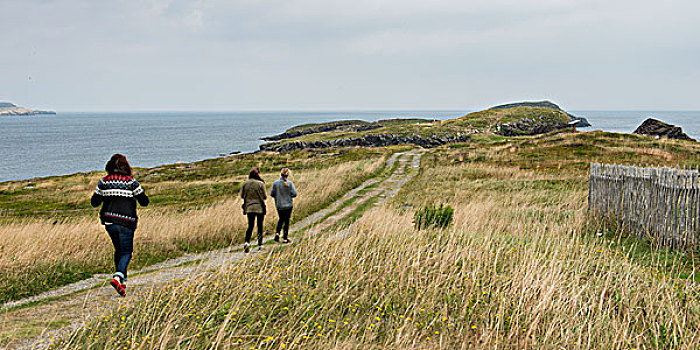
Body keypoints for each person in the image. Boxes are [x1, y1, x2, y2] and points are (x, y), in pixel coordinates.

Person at [91, 154, 149, 297]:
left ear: (109, 166)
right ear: (126, 166)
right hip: (127, 221)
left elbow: (94, 202)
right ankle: (118, 277)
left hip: (109, 221)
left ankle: (122, 282)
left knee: (118, 250)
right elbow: (144, 201)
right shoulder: (131, 182)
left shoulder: (104, 182)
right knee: (126, 252)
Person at [240, 167, 267, 252]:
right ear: (258, 174)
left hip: (249, 208)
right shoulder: (260, 184)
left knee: (250, 226)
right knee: (260, 226)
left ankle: (247, 242)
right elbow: (264, 197)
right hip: (259, 207)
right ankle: (260, 244)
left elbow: (242, 196)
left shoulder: (245, 183)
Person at [270, 168, 297, 243]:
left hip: (279, 205)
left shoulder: (275, 183)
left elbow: (272, 194)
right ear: (287, 175)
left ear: (280, 174)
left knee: (281, 219)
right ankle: (285, 238)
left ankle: (277, 233)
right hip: (288, 205)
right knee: (287, 221)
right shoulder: (290, 183)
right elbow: (294, 194)